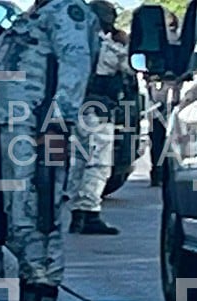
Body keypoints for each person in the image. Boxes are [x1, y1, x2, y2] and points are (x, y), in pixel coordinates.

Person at [0, 0, 96, 301]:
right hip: (13, 129)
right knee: (16, 219)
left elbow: (75, 67)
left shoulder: (67, 11)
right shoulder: (33, 16)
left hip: (41, 132)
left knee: (41, 215)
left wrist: (57, 125)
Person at [66, 0, 128, 235]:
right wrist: (124, 43)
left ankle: (77, 214)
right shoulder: (106, 45)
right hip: (97, 110)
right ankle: (89, 213)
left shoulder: (74, 43)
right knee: (99, 163)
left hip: (76, 109)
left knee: (79, 162)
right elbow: (128, 68)